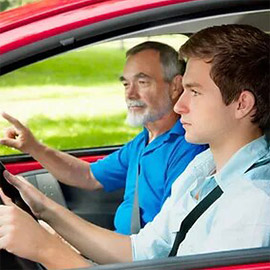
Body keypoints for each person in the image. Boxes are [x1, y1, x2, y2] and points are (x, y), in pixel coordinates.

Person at [0, 24, 269, 269]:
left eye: (195, 92)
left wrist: (44, 248)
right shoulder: (204, 168)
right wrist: (44, 210)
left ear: (242, 104)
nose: (179, 105)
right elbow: (141, 252)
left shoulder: (252, 206)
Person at [0, 42, 207, 235]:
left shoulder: (187, 147)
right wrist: (34, 147)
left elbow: (163, 243)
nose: (131, 94)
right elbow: (89, 176)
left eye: (142, 82)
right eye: (126, 84)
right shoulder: (144, 140)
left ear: (175, 86)